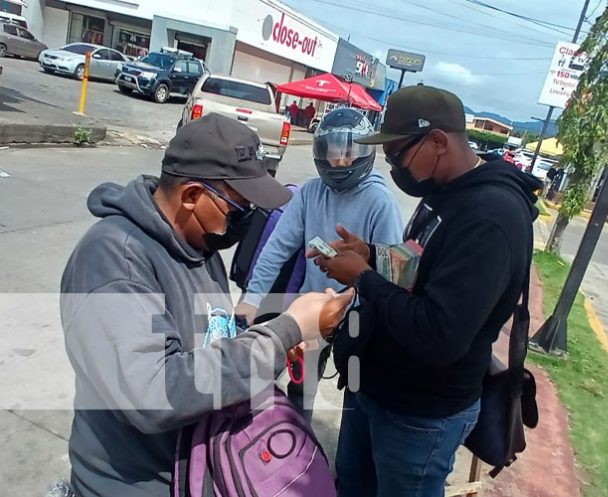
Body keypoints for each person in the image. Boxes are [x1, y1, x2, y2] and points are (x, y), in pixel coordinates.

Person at [60, 113, 354, 497]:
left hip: (196, 471)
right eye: (238, 209)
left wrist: (272, 341)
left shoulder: (198, 244)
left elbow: (207, 344)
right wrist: (286, 330)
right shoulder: (113, 261)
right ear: (192, 196)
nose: (244, 221)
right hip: (135, 483)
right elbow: (154, 392)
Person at [314, 85, 541, 497]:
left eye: (398, 153)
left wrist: (363, 277)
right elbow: (418, 262)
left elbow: (438, 335)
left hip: (419, 412)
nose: (393, 165)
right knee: (349, 487)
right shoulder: (445, 190)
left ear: (437, 141)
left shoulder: (489, 217)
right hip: (375, 387)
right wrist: (372, 254)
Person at [235, 108, 404, 421]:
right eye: (332, 153)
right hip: (312, 305)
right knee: (290, 381)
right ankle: (271, 446)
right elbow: (278, 246)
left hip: (358, 313)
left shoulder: (380, 202)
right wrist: (252, 299)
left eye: (348, 153)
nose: (339, 162)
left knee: (356, 394)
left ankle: (315, 452)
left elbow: (391, 272)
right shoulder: (311, 192)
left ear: (364, 153)